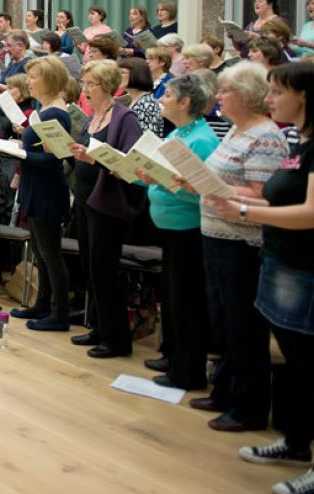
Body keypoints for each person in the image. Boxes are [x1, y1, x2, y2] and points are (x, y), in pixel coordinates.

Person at [207, 64, 314, 494]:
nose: (269, 100)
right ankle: (297, 443)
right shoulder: (298, 140)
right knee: (296, 367)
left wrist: (245, 211)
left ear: (303, 95)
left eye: (277, 92)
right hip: (284, 262)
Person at [192, 61, 288, 432]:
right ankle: (225, 391)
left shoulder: (265, 136)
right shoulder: (236, 130)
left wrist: (214, 187)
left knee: (243, 326)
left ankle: (248, 406)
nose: (218, 96)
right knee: (223, 321)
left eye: (225, 91)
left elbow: (264, 193)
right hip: (216, 234)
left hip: (243, 242)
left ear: (247, 96)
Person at [135, 75, 219, 391]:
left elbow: (205, 191)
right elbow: (163, 176)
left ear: (185, 102)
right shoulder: (180, 133)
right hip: (170, 227)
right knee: (172, 298)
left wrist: (161, 180)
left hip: (189, 229)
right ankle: (172, 355)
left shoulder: (202, 139)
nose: (161, 99)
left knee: (187, 301)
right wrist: (137, 174)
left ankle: (188, 370)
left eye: (167, 95)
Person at [68, 60, 145, 359]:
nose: (85, 90)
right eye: (84, 83)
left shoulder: (124, 117)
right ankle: (100, 327)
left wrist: (93, 159)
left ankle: (117, 339)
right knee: (90, 267)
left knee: (105, 270)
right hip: (86, 199)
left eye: (91, 84)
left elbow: (130, 164)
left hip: (107, 203)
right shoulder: (92, 117)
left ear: (110, 87)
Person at [14, 56, 75, 330]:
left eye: (34, 76)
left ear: (49, 80)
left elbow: (54, 160)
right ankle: (42, 304)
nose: (29, 81)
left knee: (51, 254)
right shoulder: (44, 110)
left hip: (47, 190)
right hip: (36, 187)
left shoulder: (56, 114)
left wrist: (20, 153)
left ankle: (59, 313)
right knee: (40, 252)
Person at [119, 57, 163, 136]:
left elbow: (145, 140)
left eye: (122, 72)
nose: (117, 77)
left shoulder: (147, 104)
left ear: (136, 74)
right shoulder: (134, 100)